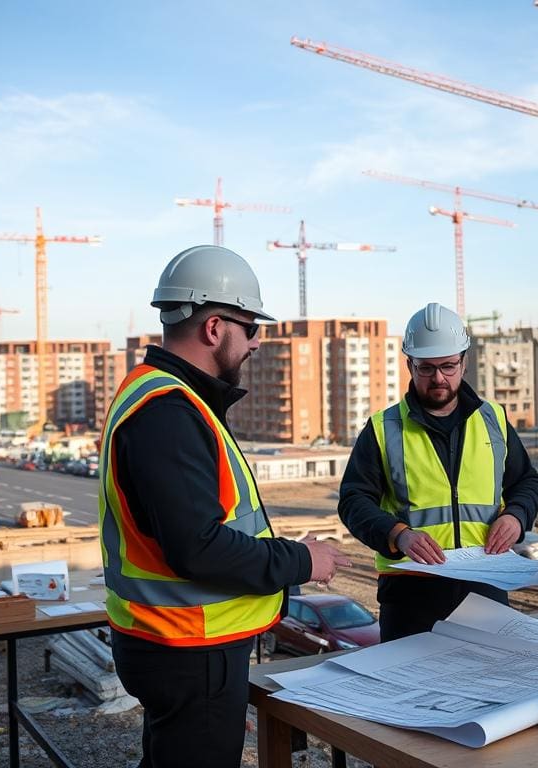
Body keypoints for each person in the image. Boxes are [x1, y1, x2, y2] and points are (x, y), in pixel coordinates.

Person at [99, 245, 350, 768]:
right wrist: (303, 561)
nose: (257, 342)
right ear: (215, 328)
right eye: (251, 327)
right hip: (189, 648)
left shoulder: (162, 396)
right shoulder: (169, 411)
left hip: (176, 645)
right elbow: (198, 547)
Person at [339, 302, 538, 641]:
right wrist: (398, 534)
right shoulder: (383, 428)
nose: (438, 378)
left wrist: (517, 517)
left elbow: (526, 481)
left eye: (448, 366)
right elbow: (353, 501)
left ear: (464, 361)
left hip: (485, 586)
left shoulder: (493, 420)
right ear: (409, 365)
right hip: (410, 595)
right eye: (426, 368)